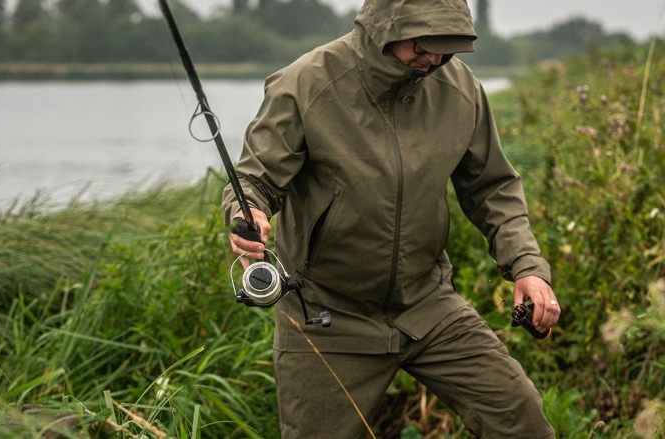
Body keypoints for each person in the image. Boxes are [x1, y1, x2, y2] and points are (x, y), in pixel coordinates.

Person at [221, 0, 561, 437]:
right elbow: (254, 179)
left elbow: (492, 188)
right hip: (324, 314)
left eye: (447, 48)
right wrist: (248, 210)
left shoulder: (459, 89)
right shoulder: (305, 83)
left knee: (522, 419)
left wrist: (527, 268)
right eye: (424, 45)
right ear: (384, 27)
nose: (434, 59)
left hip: (427, 304)